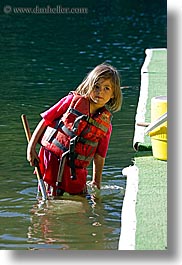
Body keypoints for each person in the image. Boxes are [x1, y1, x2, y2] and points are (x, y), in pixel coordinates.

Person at [27, 63, 122, 197]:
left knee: (81, 202)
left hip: (75, 169)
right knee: (50, 197)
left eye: (106, 88)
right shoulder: (71, 101)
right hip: (52, 158)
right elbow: (46, 120)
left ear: (113, 94)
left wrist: (96, 182)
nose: (100, 92)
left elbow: (99, 155)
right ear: (89, 85)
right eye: (96, 86)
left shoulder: (105, 126)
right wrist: (31, 148)